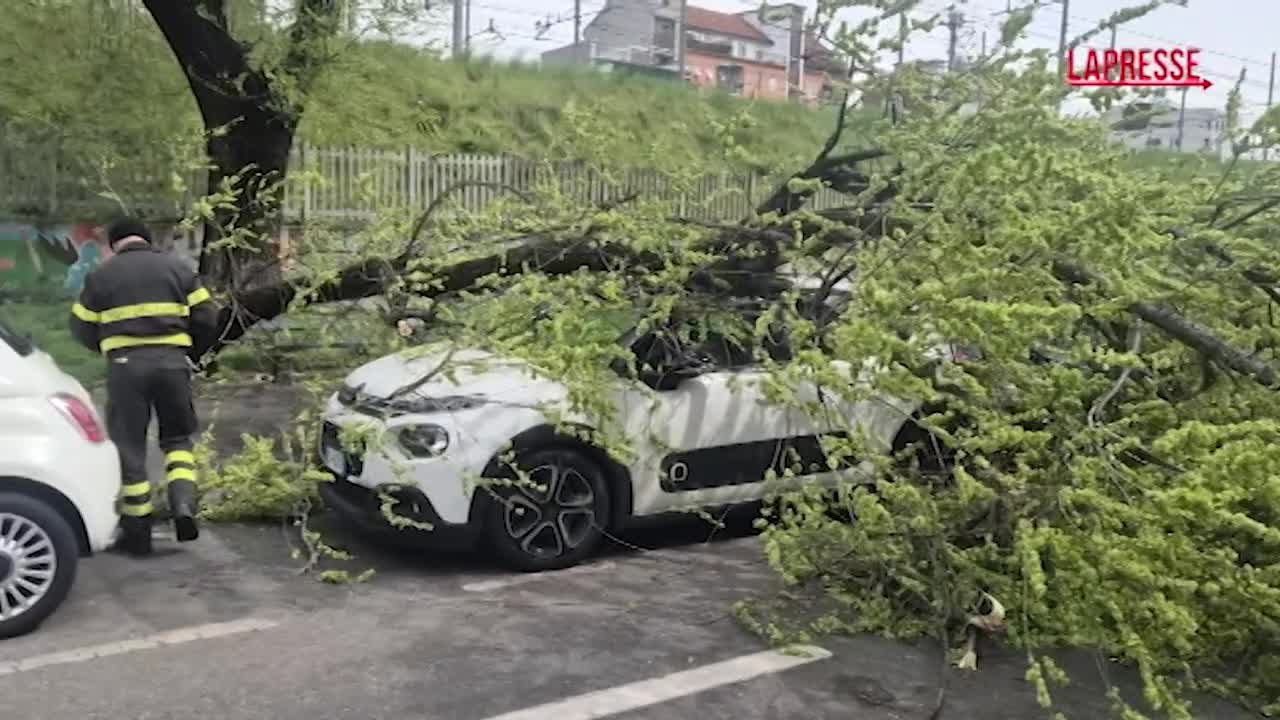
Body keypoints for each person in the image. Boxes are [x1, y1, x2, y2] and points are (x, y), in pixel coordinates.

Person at [69, 218, 219, 556]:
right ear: (147, 240)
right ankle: (182, 506)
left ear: (113, 243)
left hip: (125, 369)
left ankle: (138, 534)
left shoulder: (101, 276)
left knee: (130, 446)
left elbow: (79, 326)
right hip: (173, 365)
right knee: (178, 440)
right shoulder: (178, 269)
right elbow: (208, 316)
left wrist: (109, 346)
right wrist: (188, 351)